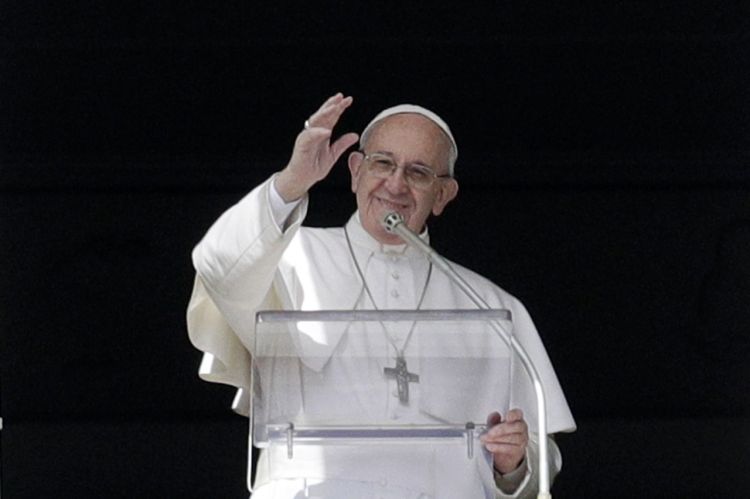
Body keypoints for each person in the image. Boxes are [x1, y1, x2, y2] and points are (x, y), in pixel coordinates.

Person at [187, 93, 576, 498]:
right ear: (355, 171)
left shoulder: (491, 305)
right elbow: (217, 264)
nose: (396, 184)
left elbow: (537, 457)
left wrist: (512, 465)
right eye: (383, 163)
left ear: (443, 195)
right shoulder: (288, 258)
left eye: (419, 172)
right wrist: (291, 181)